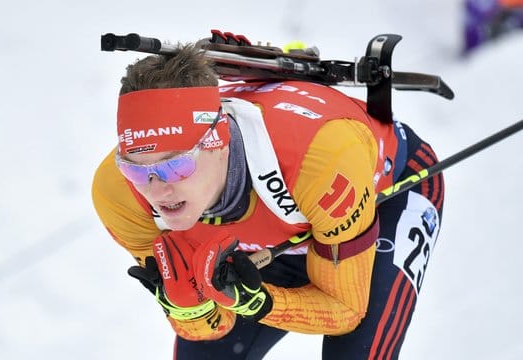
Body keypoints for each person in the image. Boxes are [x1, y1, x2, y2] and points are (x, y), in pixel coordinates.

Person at [92, 43, 445, 359]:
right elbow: (206, 332)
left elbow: (346, 310)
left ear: (219, 141)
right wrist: (189, 308)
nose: (156, 190)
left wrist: (259, 303)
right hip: (275, 232)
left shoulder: (319, 159)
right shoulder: (119, 193)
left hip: (387, 194)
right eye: (137, 171)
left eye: (176, 166)